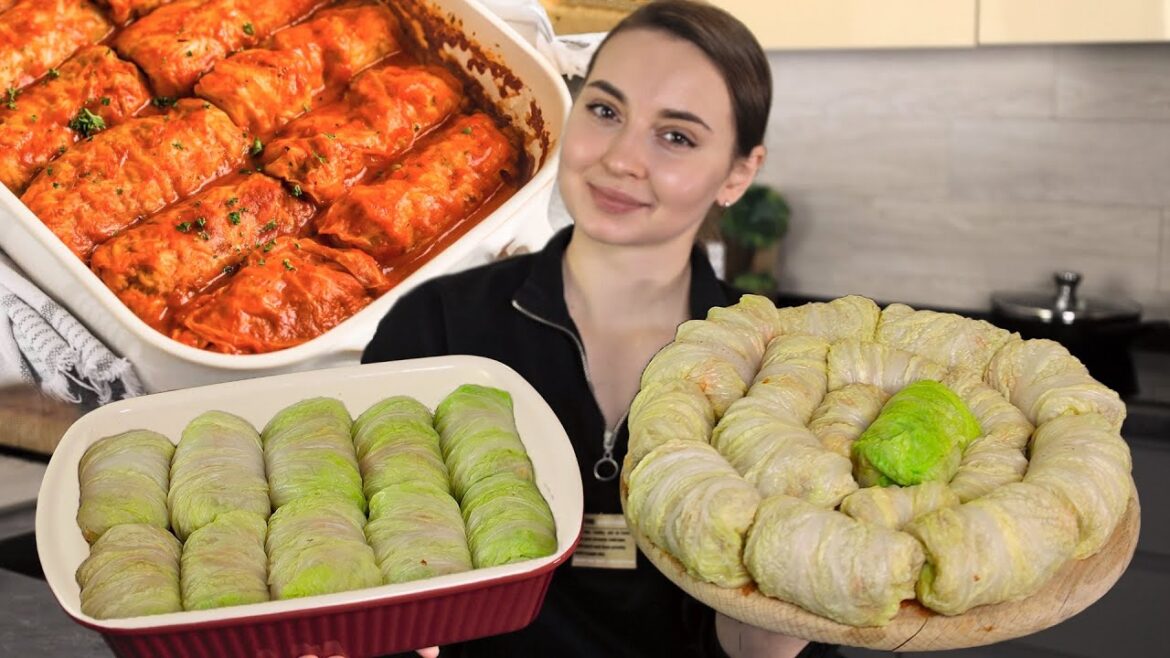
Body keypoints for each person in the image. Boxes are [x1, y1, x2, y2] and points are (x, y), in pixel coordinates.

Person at [362, 2, 838, 656]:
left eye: (676, 136)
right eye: (606, 111)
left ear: (738, 173)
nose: (620, 159)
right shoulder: (437, 324)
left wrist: (788, 602)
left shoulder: (781, 372)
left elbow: (757, 642)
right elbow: (379, 570)